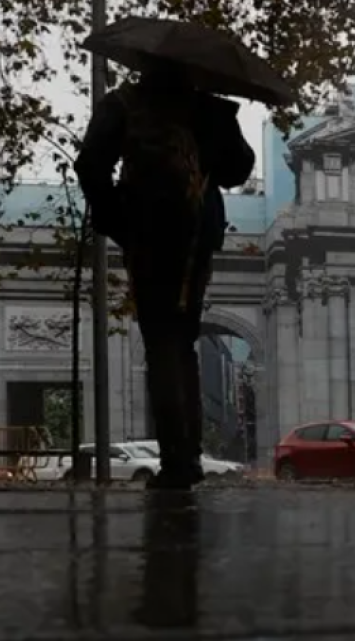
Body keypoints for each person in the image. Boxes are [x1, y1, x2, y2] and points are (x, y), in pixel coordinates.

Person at [74, 59, 256, 490]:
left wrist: (114, 216)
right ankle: (187, 458)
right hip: (195, 233)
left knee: (160, 343)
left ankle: (176, 462)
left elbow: (89, 165)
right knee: (184, 343)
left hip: (146, 232)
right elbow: (239, 170)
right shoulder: (207, 110)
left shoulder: (123, 103)